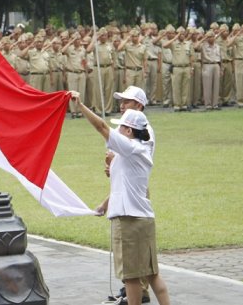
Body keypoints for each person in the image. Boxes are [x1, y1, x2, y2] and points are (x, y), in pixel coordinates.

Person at [68, 91, 170, 305]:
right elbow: (122, 184)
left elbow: (102, 128)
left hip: (129, 220)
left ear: (130, 130)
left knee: (131, 277)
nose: (117, 130)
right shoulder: (137, 149)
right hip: (144, 219)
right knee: (152, 275)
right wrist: (105, 204)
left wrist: (81, 106)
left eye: (121, 127)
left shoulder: (130, 147)